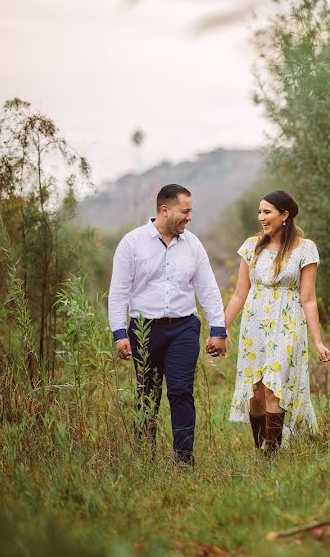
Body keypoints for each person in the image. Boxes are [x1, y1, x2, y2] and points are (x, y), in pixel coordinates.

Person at [108, 184, 227, 466]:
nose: (189, 217)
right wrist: (119, 333)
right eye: (185, 211)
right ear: (165, 210)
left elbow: (207, 288)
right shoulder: (132, 243)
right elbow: (119, 291)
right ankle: (144, 457)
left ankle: (184, 458)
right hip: (144, 330)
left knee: (181, 389)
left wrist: (218, 329)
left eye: (190, 211)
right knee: (147, 392)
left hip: (183, 327)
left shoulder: (193, 244)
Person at [224, 190, 330, 454]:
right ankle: (260, 445)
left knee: (274, 387)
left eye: (267, 212)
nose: (261, 217)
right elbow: (240, 293)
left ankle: (271, 451)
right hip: (254, 324)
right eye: (260, 212)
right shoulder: (251, 246)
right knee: (256, 392)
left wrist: (318, 341)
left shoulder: (305, 249)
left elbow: (308, 299)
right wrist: (220, 327)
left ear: (285, 215)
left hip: (288, 322)